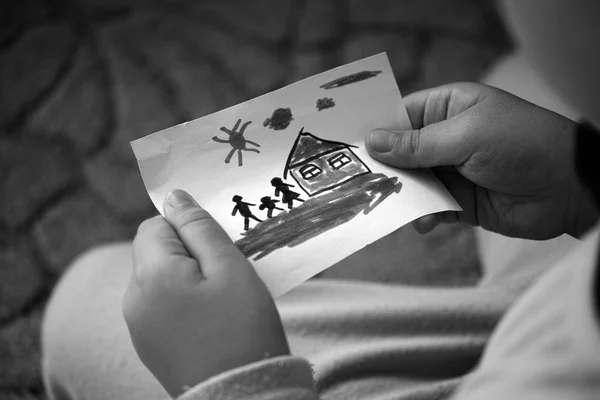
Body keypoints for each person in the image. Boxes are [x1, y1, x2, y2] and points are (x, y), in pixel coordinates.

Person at [41, 83, 600, 400]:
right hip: (561, 300)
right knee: (529, 73)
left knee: (86, 298)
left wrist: (233, 378)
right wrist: (582, 187)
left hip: (525, 366)